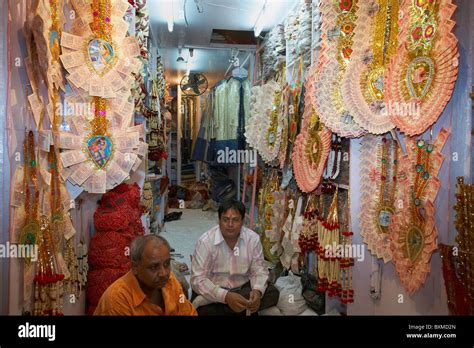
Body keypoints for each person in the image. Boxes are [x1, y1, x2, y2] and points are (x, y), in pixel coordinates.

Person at [190, 199, 279, 315]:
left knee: (272, 293)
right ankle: (241, 308)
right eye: (225, 220)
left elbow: (259, 270)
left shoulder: (253, 239)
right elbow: (198, 280)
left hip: (242, 289)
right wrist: (226, 297)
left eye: (235, 220)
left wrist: (257, 292)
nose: (230, 225)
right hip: (215, 290)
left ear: (242, 221)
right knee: (205, 310)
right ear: (219, 220)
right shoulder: (205, 242)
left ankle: (238, 306)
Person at [94, 235, 197, 316]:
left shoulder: (169, 280)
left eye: (166, 264)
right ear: (135, 268)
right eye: (153, 267)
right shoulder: (116, 301)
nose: (163, 273)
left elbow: (187, 311)